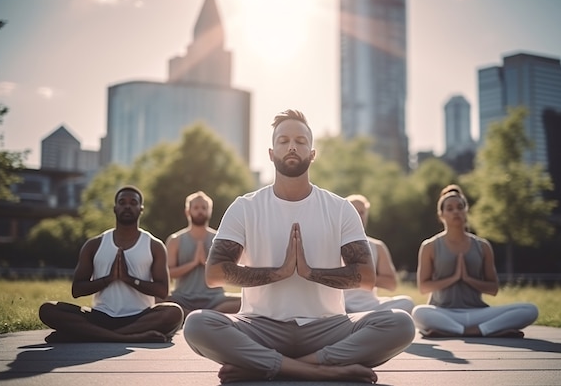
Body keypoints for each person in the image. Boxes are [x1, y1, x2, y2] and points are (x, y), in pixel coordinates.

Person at [182, 109, 415, 384]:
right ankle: (321, 370)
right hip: (260, 327)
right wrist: (278, 273)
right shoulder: (244, 207)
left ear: (312, 153)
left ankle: (267, 366)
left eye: (301, 141)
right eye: (283, 140)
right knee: (197, 324)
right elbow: (214, 274)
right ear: (271, 153)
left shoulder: (340, 208)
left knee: (400, 323)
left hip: (327, 327)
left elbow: (367, 277)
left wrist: (310, 272)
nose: (292, 146)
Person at [38, 185, 184, 343]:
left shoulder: (154, 245)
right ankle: (125, 337)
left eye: (133, 202)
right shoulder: (94, 244)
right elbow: (77, 289)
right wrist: (108, 279)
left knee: (174, 313)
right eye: (122, 202)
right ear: (115, 208)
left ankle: (87, 335)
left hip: (139, 317)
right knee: (48, 309)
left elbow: (163, 291)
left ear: (141, 209)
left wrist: (129, 279)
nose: (127, 206)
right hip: (100, 316)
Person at [411, 184, 539, 338]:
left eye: (460, 207)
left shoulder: (482, 246)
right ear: (441, 215)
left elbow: (493, 288)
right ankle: (485, 330)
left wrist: (468, 279)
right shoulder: (429, 246)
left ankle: (466, 330)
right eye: (450, 209)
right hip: (444, 312)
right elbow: (424, 287)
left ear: (466, 211)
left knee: (530, 310)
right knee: (418, 313)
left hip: (478, 313)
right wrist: (454, 278)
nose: (455, 211)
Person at [163, 191, 241, 315]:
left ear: (209, 211)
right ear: (188, 211)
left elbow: (227, 273)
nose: (200, 211)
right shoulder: (175, 240)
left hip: (215, 299)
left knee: (245, 301)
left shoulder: (220, 239)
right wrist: (193, 263)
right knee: (156, 299)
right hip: (183, 298)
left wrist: (206, 263)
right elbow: (169, 274)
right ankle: (203, 315)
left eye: (204, 208)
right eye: (196, 208)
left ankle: (193, 315)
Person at [344, 194, 414, 314]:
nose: (358, 215)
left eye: (362, 212)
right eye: (354, 211)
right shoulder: (332, 243)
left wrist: (364, 276)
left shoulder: (377, 246)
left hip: (371, 305)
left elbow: (391, 284)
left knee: (407, 303)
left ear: (366, 215)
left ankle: (367, 319)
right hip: (343, 305)